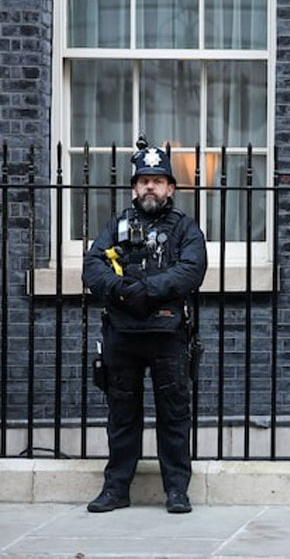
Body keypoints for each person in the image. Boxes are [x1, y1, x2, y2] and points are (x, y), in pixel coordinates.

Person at [83, 136, 207, 512]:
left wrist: (146, 291)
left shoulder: (186, 229)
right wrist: (122, 290)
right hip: (122, 335)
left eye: (157, 179)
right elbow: (92, 266)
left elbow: (191, 270)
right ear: (135, 187)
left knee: (173, 413)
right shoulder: (116, 226)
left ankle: (176, 490)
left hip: (167, 334)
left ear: (170, 187)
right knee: (122, 414)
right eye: (143, 180)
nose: (149, 185)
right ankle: (116, 489)